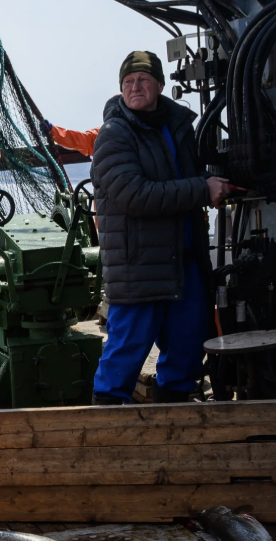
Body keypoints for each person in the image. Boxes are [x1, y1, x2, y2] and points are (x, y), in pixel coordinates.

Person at [90, 50, 232, 404]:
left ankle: (174, 427)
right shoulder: (113, 135)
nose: (135, 87)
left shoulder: (177, 126)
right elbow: (134, 195)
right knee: (125, 354)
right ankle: (104, 433)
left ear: (159, 85)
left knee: (187, 346)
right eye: (128, 82)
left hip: (184, 261)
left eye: (142, 80)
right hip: (139, 267)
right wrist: (202, 188)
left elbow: (188, 175)